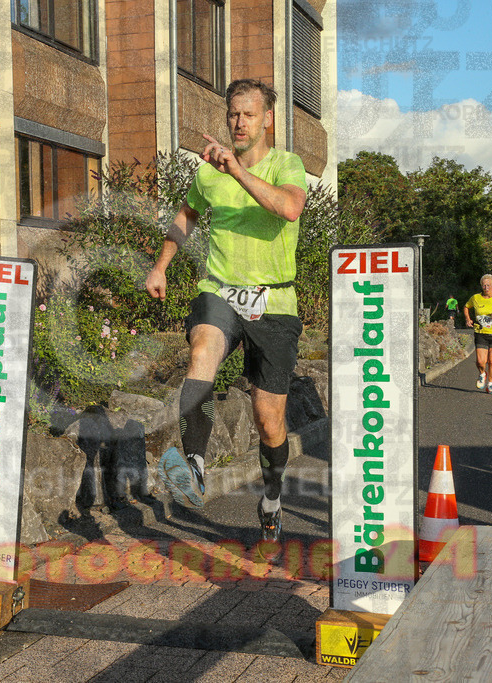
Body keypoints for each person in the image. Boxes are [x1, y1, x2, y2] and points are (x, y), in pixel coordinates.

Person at [145, 79, 307, 543]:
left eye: (248, 115)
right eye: (233, 114)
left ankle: (272, 496)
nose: (238, 123)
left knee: (268, 419)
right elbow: (186, 216)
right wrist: (160, 267)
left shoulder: (285, 163)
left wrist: (236, 170)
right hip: (220, 289)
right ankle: (194, 465)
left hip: (274, 301)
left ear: (268, 120)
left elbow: (290, 208)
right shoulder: (207, 173)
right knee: (203, 350)